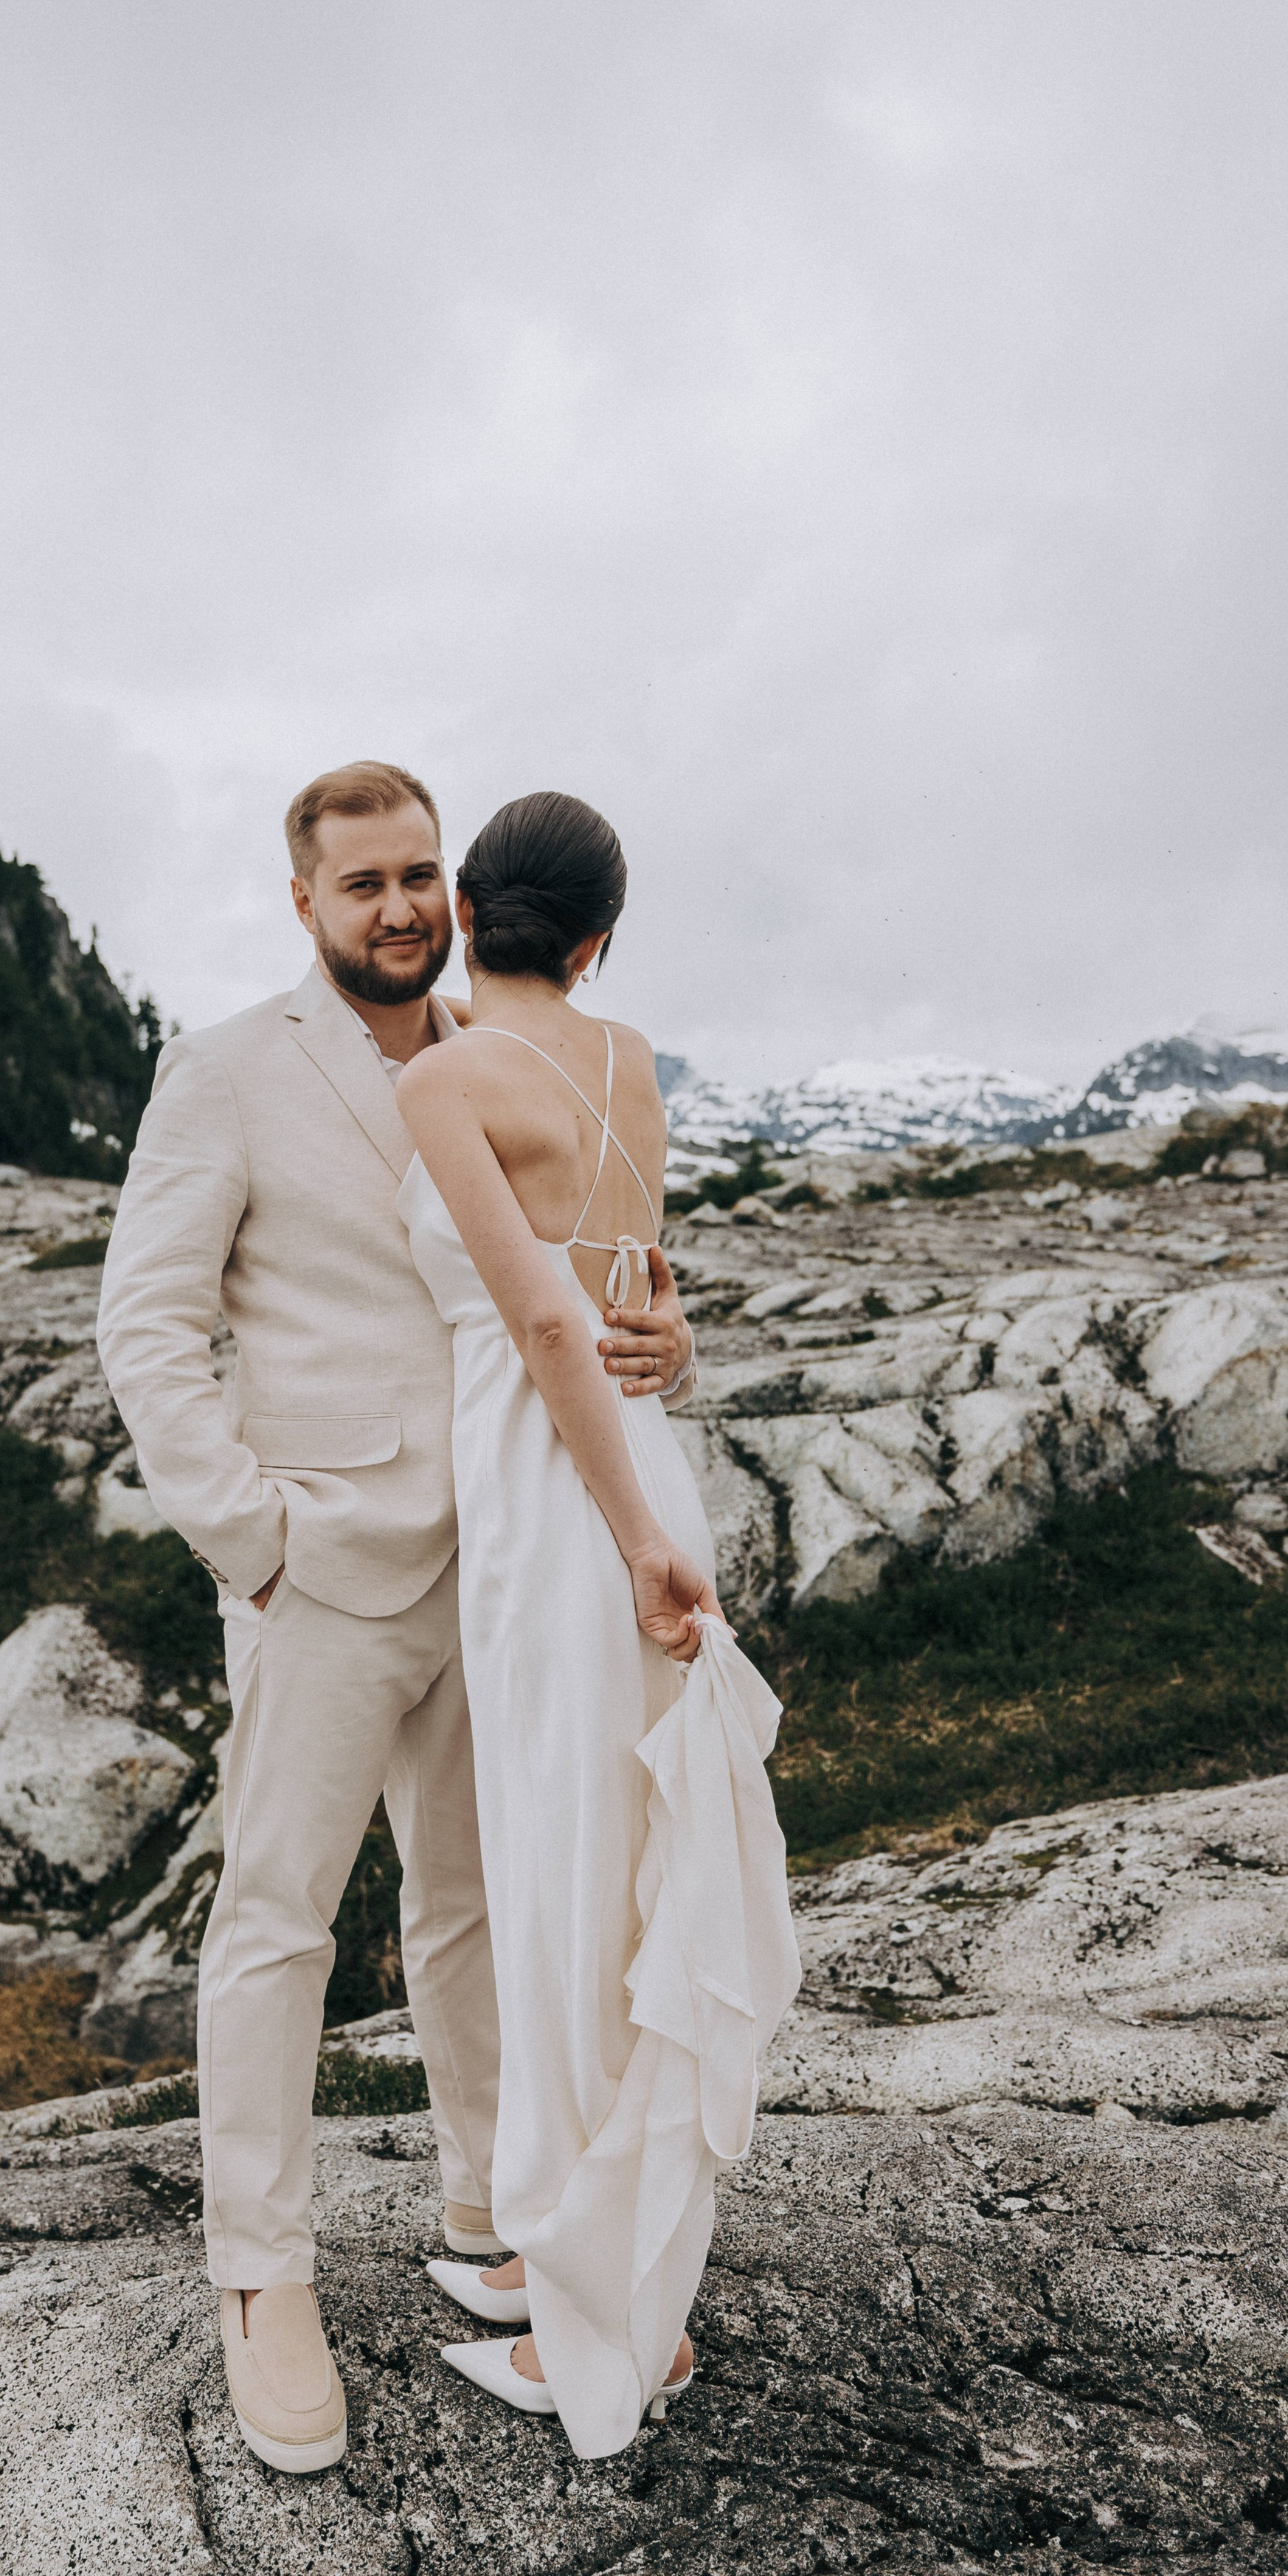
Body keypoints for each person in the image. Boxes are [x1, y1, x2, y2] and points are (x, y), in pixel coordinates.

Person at [95, 763, 697, 2473]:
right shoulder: (223, 1071)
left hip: (508, 1565)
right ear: (302, 901)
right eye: (360, 881)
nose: (398, 906)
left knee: (477, 1909)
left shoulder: (489, 1053)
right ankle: (258, 2277)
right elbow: (143, 1327)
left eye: (419, 872)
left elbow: (580, 1289)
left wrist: (668, 1348)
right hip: (322, 1565)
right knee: (278, 1921)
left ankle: (489, 2207)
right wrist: (253, 1544)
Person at [396, 789, 801, 2460]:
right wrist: (665, 1436)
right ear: (595, 936)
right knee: (616, 1883)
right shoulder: (627, 1058)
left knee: (570, 1893)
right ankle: (589, 2261)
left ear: (468, 911)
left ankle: (604, 2334)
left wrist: (632, 1539)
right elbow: (644, 1302)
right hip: (630, 1484)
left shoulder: (439, 1076)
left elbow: (558, 1326)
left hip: (573, 1520)